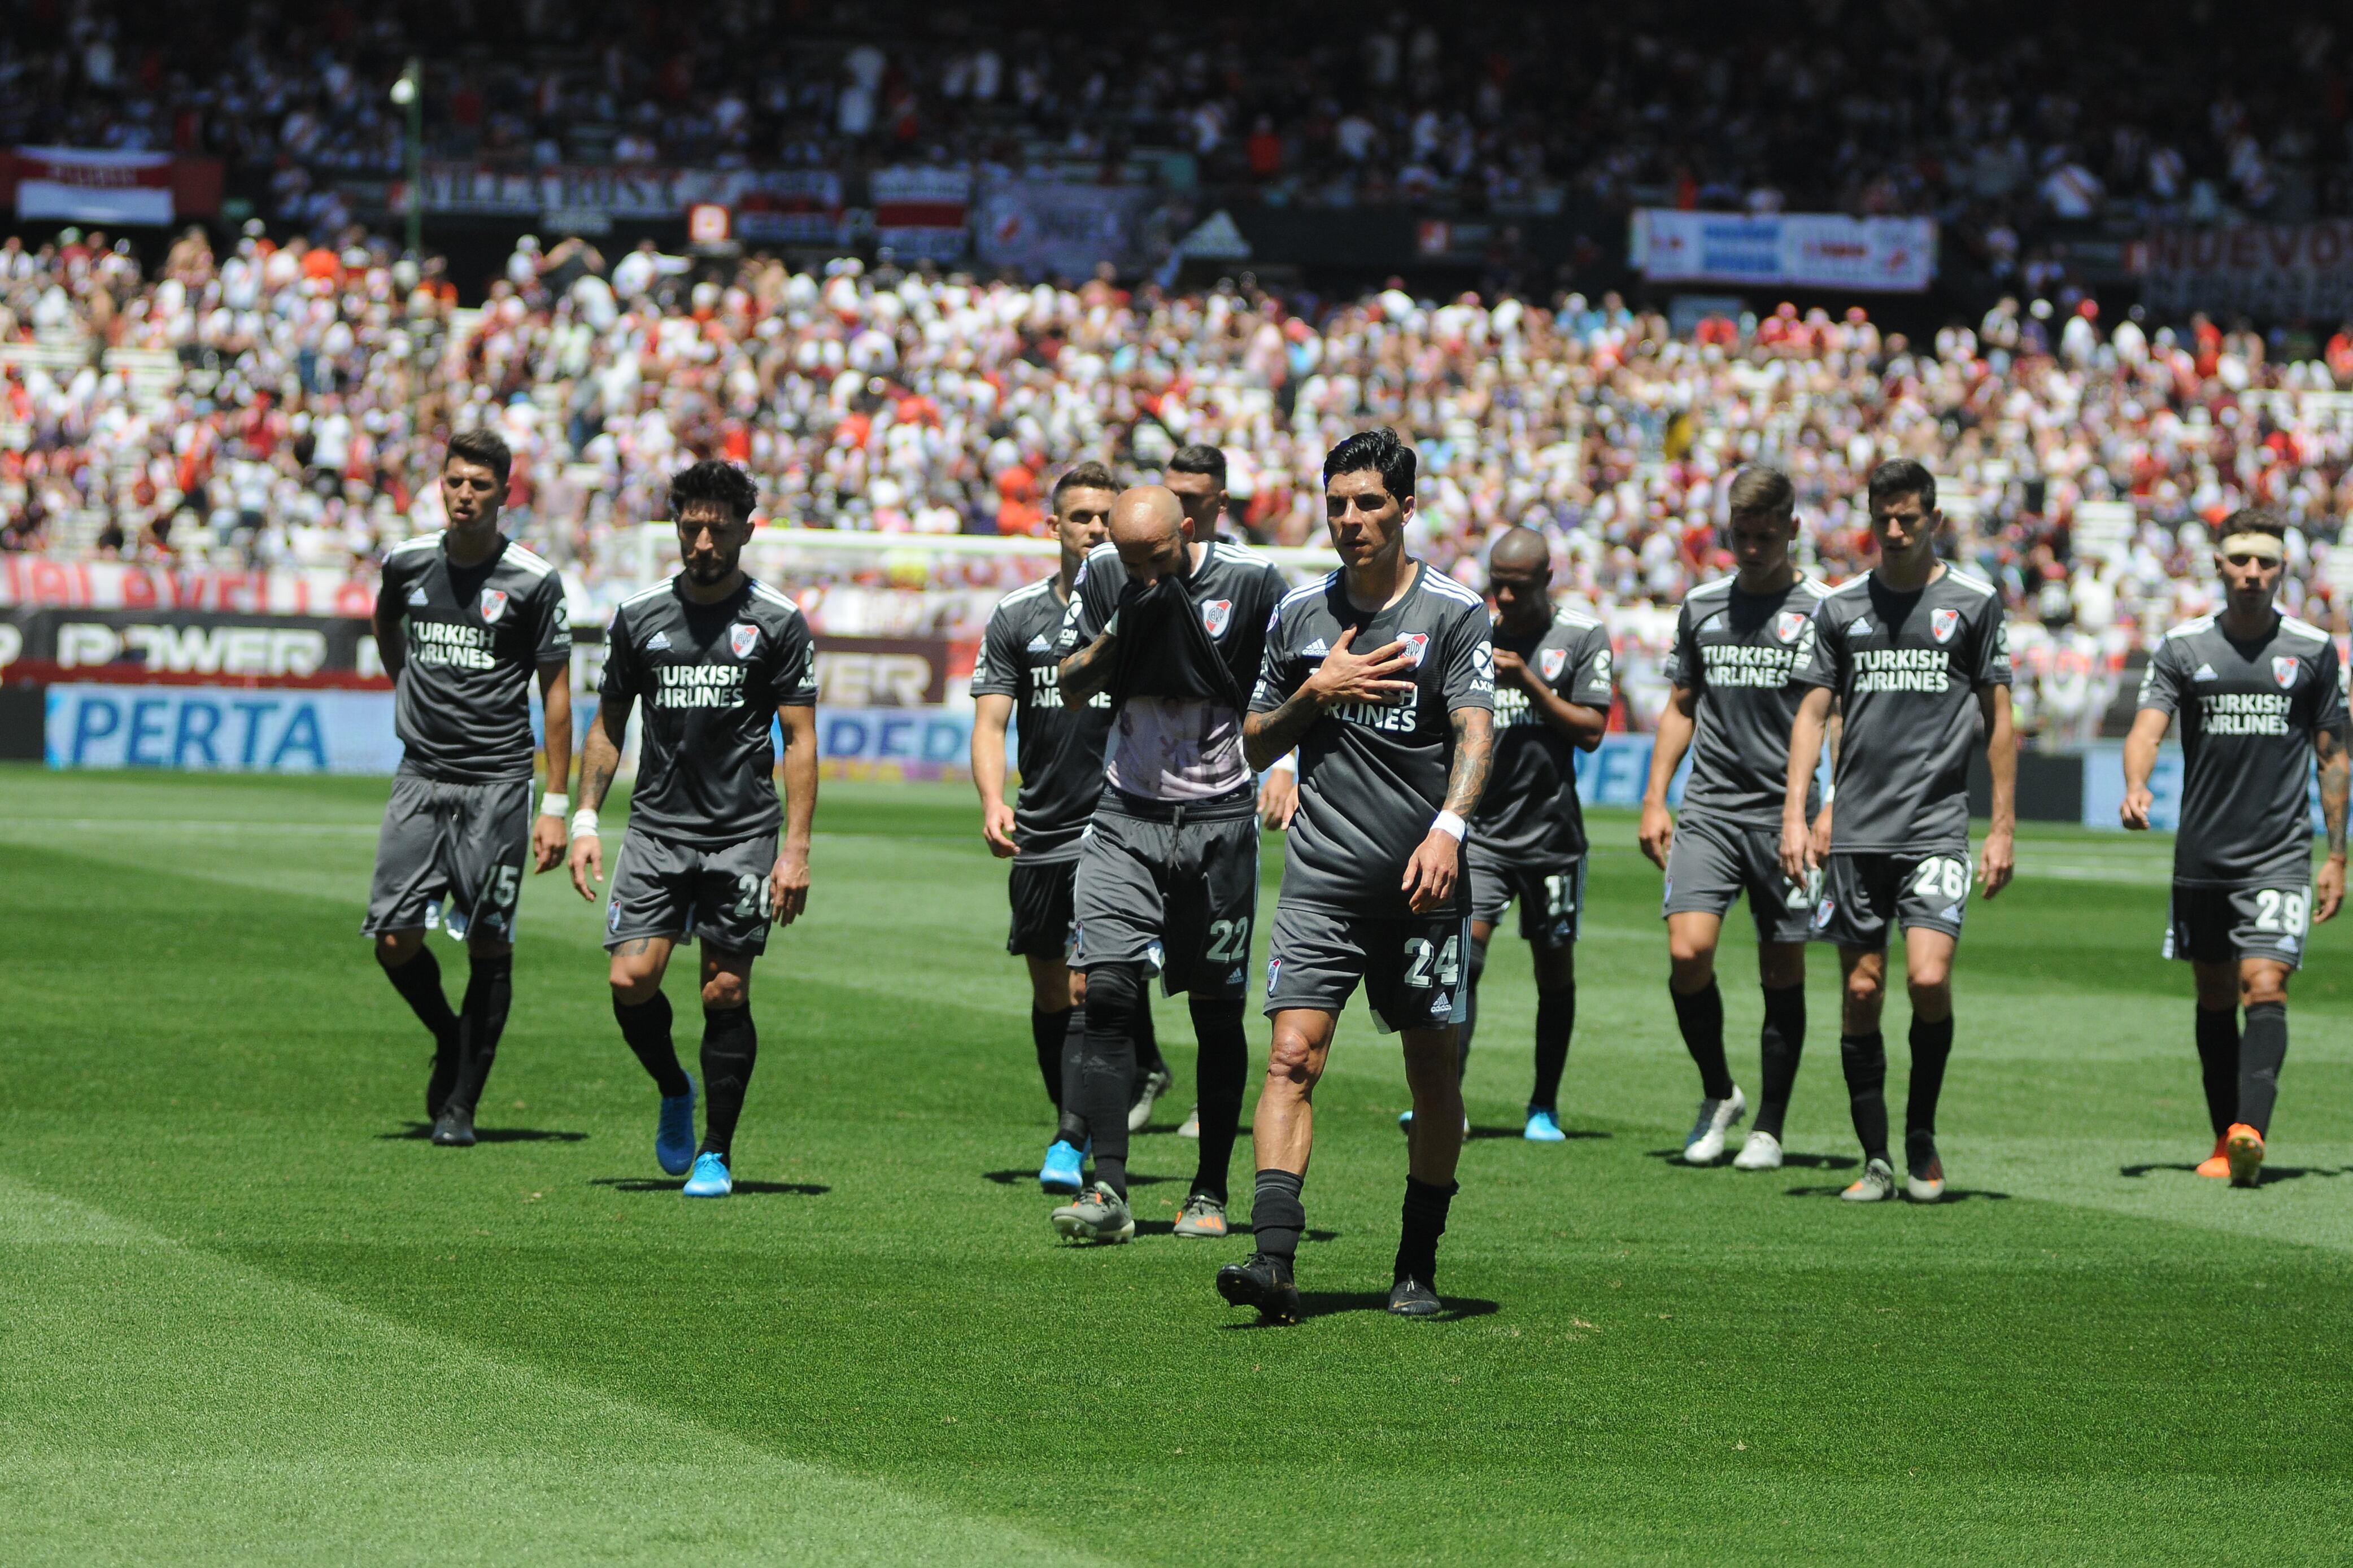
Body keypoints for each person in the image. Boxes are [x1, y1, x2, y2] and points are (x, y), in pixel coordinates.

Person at [1217, 427, 1496, 1323]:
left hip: (1424, 890)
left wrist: (1449, 828)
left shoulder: (1454, 612)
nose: (1350, 519)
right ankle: (1272, 1263)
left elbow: (1476, 732)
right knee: (1292, 1056)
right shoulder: (1300, 615)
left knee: (1431, 1075)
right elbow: (1253, 741)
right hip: (1322, 882)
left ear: (1406, 508)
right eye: (1337, 503)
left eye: (1369, 503)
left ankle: (1416, 1263)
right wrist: (1316, 692)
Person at [565, 460, 818, 1199]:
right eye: (691, 525)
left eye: (717, 527)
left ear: (745, 529)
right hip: (655, 830)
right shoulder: (639, 615)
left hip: (742, 834)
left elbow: (799, 741)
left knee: (724, 991)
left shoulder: (776, 619)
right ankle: (674, 1086)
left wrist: (795, 850)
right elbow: (609, 724)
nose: (702, 540)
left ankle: (715, 1151)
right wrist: (585, 818)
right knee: (630, 978)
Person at [1047, 483, 1289, 1242]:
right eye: (1128, 559)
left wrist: (1287, 767)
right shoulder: (1104, 579)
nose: (1141, 573)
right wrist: (1121, 629)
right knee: (1107, 993)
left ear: (1187, 530)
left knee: (1216, 1009)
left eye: (1155, 558)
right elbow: (1072, 683)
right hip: (1125, 813)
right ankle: (1108, 1188)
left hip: (1219, 820)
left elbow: (1285, 686)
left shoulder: (1253, 583)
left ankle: (1210, 1189)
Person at [1780, 457, 2015, 1204]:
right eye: (1881, 517)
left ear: (1932, 520)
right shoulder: (1840, 606)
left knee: (1926, 976)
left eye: (1906, 518)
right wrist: (1799, 810)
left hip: (1937, 826)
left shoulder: (1974, 602)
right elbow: (1814, 713)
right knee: (1859, 988)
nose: (1892, 530)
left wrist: (2001, 826)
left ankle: (1921, 1132)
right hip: (1854, 831)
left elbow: (1998, 719)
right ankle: (1876, 1155)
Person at [2121, 506, 2347, 1186]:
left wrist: (2336, 854)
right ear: (2217, 565)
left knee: (2263, 982)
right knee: (2214, 992)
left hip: (2277, 853)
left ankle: (2250, 1129)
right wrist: (2135, 784)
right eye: (2239, 560)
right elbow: (2146, 726)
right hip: (2201, 856)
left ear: (2283, 568)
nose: (2252, 573)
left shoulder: (2311, 649)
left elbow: (2332, 757)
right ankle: (2225, 1139)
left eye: (2265, 562)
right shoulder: (2183, 647)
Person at [363, 429, 572, 1147]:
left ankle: (461, 1104)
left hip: (498, 784)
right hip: (420, 774)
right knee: (394, 936)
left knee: (487, 941)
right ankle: (450, 1036)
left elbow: (556, 693)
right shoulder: (408, 562)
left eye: (479, 485)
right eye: (454, 481)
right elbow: (385, 624)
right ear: (441, 485)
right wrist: (408, 685)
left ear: (503, 494)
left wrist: (555, 803)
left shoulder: (533, 580)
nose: (464, 495)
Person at [968, 462, 1169, 1191]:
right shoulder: (1018, 615)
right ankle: (1080, 1115)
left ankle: (1070, 1135)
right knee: (1052, 992)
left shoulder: (1145, 606)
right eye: (1078, 517)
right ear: (1051, 526)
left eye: (1102, 518)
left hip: (1118, 823)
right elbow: (990, 721)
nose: (1091, 528)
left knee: (1090, 989)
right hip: (1041, 826)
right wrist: (994, 799)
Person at [1640, 467, 1828, 1170]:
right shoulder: (1701, 605)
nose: (1751, 549)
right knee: (1687, 954)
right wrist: (1656, 795)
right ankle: (1719, 1091)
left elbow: (1835, 715)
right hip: (1710, 808)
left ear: (1792, 530)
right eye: (1740, 536)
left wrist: (1825, 805)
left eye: (1765, 535)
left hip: (1787, 815)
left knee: (1781, 969)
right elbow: (1681, 703)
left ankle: (1769, 1126)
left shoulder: (1822, 610)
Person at [1434, 525, 1610, 1142]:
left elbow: (1591, 730)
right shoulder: (1472, 633)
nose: (1502, 600)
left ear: (1545, 580)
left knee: (1552, 971)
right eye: (1495, 586)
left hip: (1553, 838)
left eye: (1515, 588)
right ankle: (1445, 1101)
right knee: (1464, 963)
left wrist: (1530, 683)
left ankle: (1543, 1105)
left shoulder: (1581, 636)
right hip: (1480, 835)